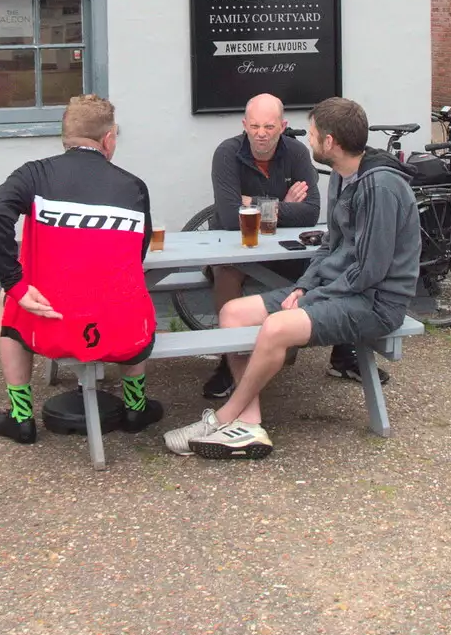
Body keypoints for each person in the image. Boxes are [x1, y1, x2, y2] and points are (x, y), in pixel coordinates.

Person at [165, 96, 420, 460]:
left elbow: (370, 271)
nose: (308, 139)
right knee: (232, 314)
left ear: (330, 142)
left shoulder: (379, 187)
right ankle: (248, 425)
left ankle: (224, 417)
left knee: (276, 327)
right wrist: (303, 285)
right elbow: (329, 246)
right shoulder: (347, 179)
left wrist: (312, 298)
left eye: (313, 134)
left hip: (375, 303)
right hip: (341, 291)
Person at [0, 95, 165, 444]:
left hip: (52, 325)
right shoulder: (133, 186)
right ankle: (135, 406)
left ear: (65, 137)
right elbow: (137, 256)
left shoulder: (34, 174)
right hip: (122, 333)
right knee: (135, 293)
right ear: (108, 139)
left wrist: (16, 283)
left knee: (8, 298)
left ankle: (21, 416)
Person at [199, 93, 325, 398]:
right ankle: (230, 363)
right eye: (254, 126)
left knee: (318, 273)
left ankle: (290, 349)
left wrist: (251, 204)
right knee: (226, 271)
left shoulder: (296, 153)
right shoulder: (227, 153)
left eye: (269, 126)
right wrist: (282, 205)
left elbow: (311, 212)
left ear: (282, 126)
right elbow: (229, 216)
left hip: (282, 252)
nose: (261, 133)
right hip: (235, 247)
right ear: (244, 124)